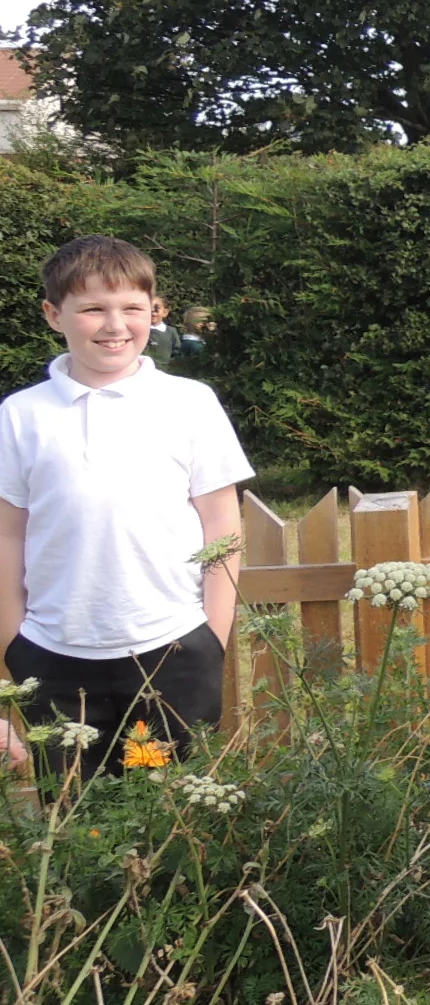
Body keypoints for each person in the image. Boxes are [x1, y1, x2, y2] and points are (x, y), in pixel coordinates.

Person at [0, 237, 254, 778]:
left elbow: (222, 524)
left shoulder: (190, 404)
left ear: (153, 312)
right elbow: (8, 536)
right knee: (76, 823)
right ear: (53, 315)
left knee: (173, 817)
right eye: (93, 308)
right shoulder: (21, 416)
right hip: (53, 655)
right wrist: (15, 650)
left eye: (132, 308)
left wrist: (211, 635)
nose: (115, 325)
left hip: (173, 646)